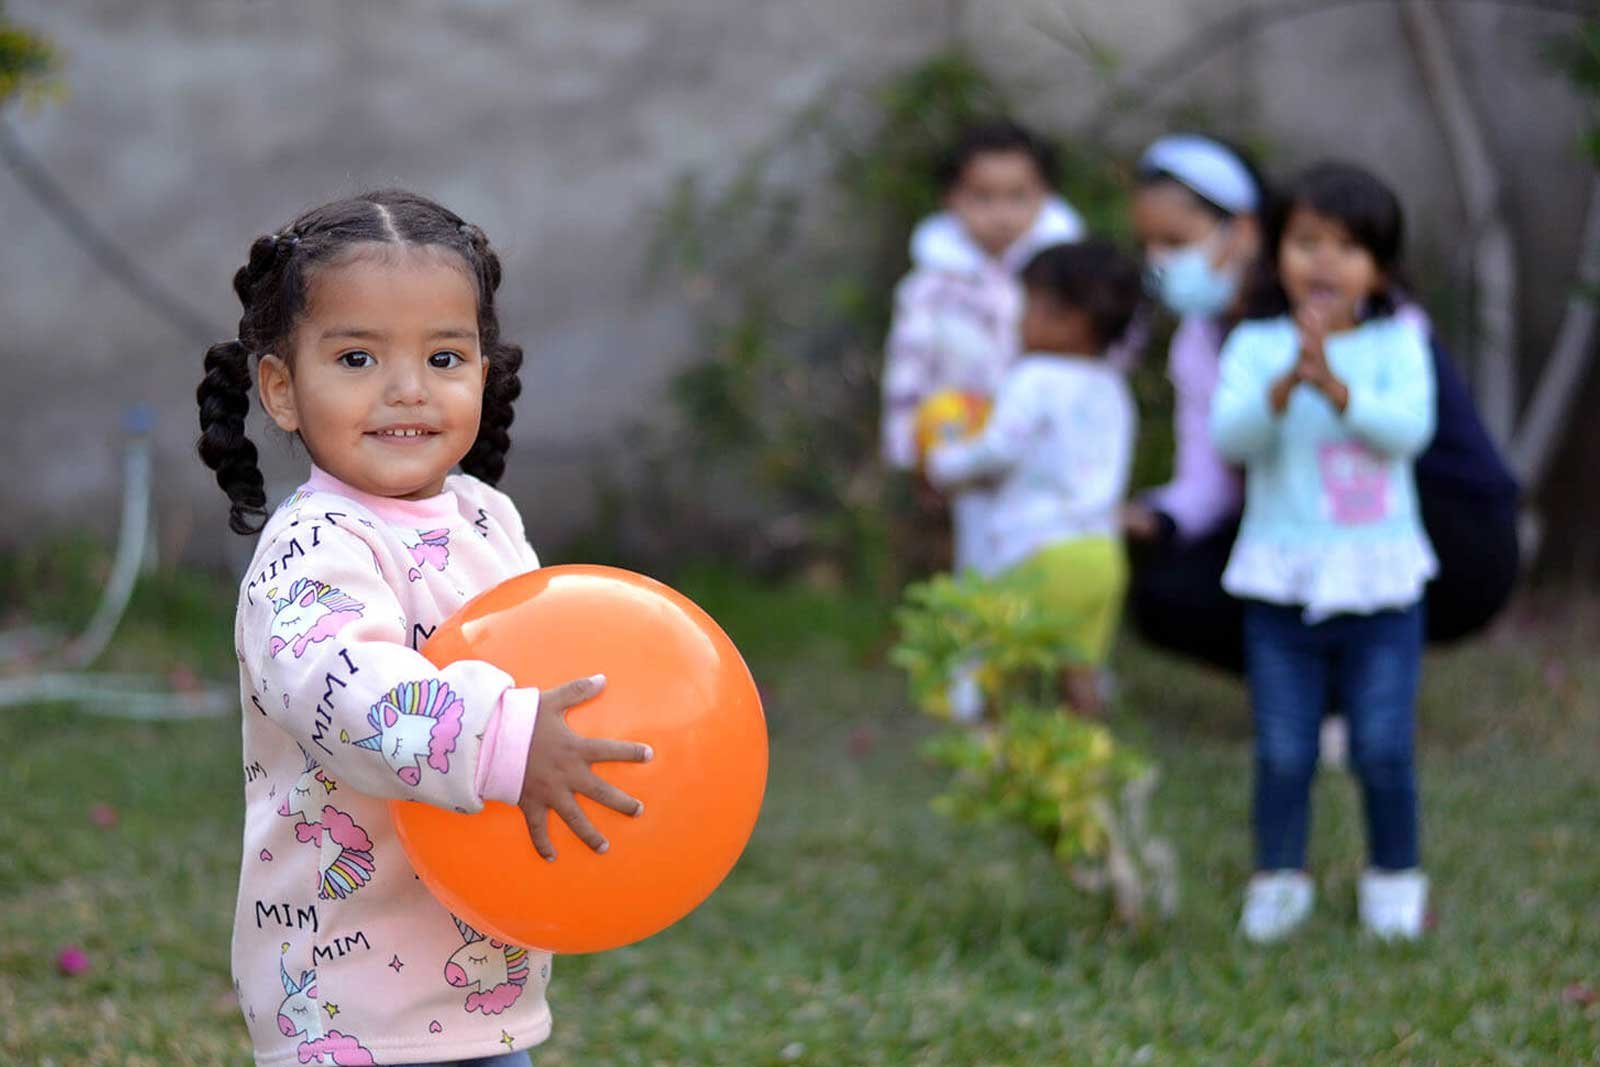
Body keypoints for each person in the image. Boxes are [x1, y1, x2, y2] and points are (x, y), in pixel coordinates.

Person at [196, 190, 652, 1066]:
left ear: (485, 369)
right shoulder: (313, 547)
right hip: (350, 998)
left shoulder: (487, 518)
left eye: (444, 355)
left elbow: (539, 654)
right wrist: (506, 736)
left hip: (484, 969)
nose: (407, 389)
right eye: (358, 356)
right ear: (282, 388)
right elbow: (342, 689)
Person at [1123, 134, 1518, 674]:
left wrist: (1337, 389)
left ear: (1244, 231)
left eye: (1175, 241)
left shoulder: (1376, 320)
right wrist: (1157, 519)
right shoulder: (1208, 342)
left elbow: (1406, 429)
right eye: (1149, 246)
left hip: (1408, 516)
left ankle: (1360, 674)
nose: (1159, 262)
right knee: (1171, 590)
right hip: (1297, 513)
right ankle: (1305, 681)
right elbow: (1216, 463)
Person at [1211, 163, 1435, 942]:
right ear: (1277, 254)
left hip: (1383, 588)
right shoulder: (1253, 343)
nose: (1326, 262)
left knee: (1380, 745)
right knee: (1282, 748)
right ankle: (1278, 875)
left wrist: (1338, 389)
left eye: (1348, 247)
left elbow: (1409, 432)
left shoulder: (1398, 344)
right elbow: (1230, 438)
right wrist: (1284, 386)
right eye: (1308, 242)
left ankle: (1395, 874)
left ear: (1379, 266)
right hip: (1281, 585)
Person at [925, 240, 1142, 715]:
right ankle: (1085, 774)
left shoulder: (1034, 377)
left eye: (1030, 308)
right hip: (1102, 555)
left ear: (1070, 320)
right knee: (1079, 672)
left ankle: (990, 763)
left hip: (1038, 552)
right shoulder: (1113, 388)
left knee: (987, 666)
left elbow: (999, 447)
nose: (1020, 322)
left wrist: (944, 462)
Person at [880, 119, 1085, 577]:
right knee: (975, 563)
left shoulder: (1067, 277)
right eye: (983, 197)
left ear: (1045, 196)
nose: (1002, 214)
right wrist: (913, 455)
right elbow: (906, 373)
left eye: (1018, 196)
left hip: (1050, 457)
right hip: (965, 453)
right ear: (951, 199)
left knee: (1048, 565)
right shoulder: (928, 286)